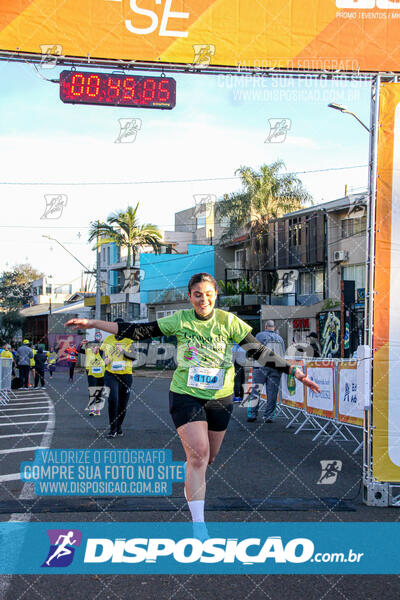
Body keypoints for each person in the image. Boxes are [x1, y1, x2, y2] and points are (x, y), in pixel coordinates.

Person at [65, 272, 320, 535]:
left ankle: (192, 470)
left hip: (220, 396)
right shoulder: (180, 320)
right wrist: (92, 322)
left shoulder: (228, 321)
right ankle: (199, 526)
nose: (203, 300)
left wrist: (295, 373)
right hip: (185, 393)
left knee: (208, 458)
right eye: (197, 295)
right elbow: (138, 330)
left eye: (208, 294)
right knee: (198, 454)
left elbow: (258, 351)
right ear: (190, 297)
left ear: (215, 295)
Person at [247, 320, 286, 423]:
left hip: (260, 366)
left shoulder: (260, 335)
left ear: (265, 326)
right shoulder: (280, 338)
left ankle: (252, 415)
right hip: (276, 368)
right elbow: (282, 354)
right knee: (272, 393)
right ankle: (269, 416)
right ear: (274, 327)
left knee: (256, 390)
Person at [79, 339, 105, 416]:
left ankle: (97, 409)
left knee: (99, 390)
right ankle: (92, 409)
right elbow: (78, 350)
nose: (94, 348)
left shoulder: (100, 352)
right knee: (92, 390)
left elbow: (103, 348)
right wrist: (81, 344)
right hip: (91, 373)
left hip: (101, 373)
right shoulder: (88, 351)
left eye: (96, 347)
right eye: (92, 347)